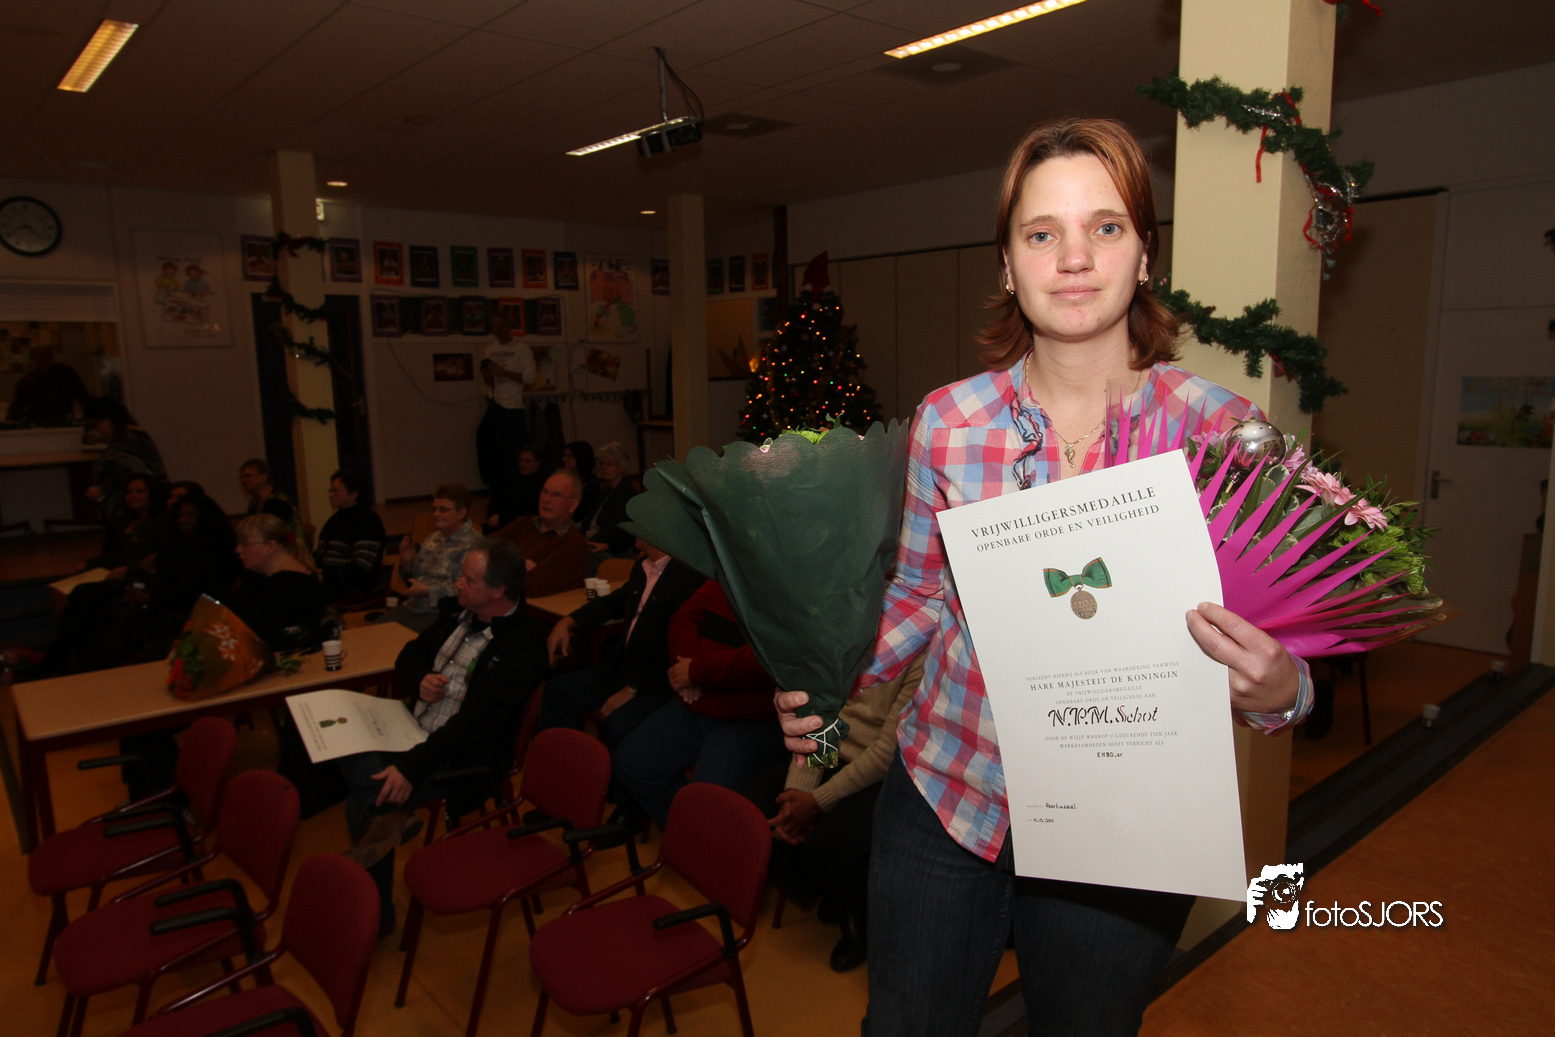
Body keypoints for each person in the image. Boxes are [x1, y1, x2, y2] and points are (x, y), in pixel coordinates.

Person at [776, 118, 1313, 1037]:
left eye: (1105, 226)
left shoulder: (1218, 436)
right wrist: (826, 678)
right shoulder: (949, 422)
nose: (1073, 258)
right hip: (948, 789)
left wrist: (1280, 689)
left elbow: (1283, 645)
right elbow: (917, 595)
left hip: (1124, 818)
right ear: (1007, 262)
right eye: (1040, 233)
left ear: (1145, 253)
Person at [341, 539, 546, 935]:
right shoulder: (459, 613)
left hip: (461, 758)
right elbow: (409, 655)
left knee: (370, 799)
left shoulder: (523, 644)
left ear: (498, 590)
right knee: (345, 739)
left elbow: (477, 724)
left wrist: (411, 767)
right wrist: (420, 680)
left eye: (468, 579)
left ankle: (377, 917)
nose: (457, 583)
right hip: (412, 728)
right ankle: (389, 821)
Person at [744, 652, 925, 975]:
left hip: (886, 771)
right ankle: (829, 889)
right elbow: (820, 714)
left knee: (827, 847)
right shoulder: (845, 636)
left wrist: (818, 801)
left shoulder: (922, 652)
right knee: (754, 814)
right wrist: (798, 794)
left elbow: (888, 751)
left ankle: (857, 911)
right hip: (831, 748)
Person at [613, 579, 786, 829]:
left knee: (707, 798)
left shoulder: (791, 589)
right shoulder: (726, 576)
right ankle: (692, 832)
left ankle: (701, 834)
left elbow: (770, 659)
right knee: (632, 764)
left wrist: (695, 671)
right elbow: (683, 618)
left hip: (749, 718)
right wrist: (686, 667)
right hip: (696, 700)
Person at [539, 539, 702, 757]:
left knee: (619, 723)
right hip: (624, 671)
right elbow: (613, 602)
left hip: (657, 683)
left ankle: (618, 776)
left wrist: (634, 689)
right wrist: (569, 621)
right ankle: (566, 765)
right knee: (558, 691)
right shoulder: (643, 567)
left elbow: (675, 648)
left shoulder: (688, 577)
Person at [231, 513, 328, 652]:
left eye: (245, 544)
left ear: (271, 546)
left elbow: (250, 633)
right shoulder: (285, 578)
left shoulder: (286, 585)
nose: (238, 550)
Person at [492, 470, 588, 598]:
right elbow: (483, 550)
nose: (546, 500)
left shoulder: (573, 545)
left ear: (573, 504)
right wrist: (520, 564)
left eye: (556, 495)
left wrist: (498, 565)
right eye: (545, 492)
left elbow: (533, 587)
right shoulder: (523, 523)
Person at [82, 397, 166, 530]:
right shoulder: (128, 439)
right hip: (125, 509)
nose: (95, 430)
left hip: (129, 511)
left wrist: (103, 489)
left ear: (108, 419)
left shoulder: (129, 440)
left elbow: (132, 474)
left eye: (95, 424)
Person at [478, 314, 536, 493]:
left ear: (509, 326)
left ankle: (520, 487)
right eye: (495, 326)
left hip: (513, 406)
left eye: (502, 326)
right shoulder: (490, 349)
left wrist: (502, 371)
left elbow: (530, 378)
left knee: (515, 451)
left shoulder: (521, 349)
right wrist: (487, 375)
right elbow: (490, 381)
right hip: (495, 403)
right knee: (495, 448)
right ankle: (502, 487)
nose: (498, 330)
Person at [315, 469, 387, 603]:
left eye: (336, 491)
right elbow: (320, 556)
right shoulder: (333, 521)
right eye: (330, 490)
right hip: (331, 583)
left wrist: (326, 576)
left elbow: (361, 568)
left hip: (351, 588)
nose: (331, 495)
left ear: (354, 493)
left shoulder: (368, 521)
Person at [576, 441, 641, 568]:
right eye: (602, 464)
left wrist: (591, 542)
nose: (604, 468)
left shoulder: (628, 494)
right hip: (593, 540)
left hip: (614, 550)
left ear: (622, 467)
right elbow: (590, 520)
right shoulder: (605, 492)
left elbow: (616, 531)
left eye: (610, 464)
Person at [6, 343, 90, 423]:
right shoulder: (27, 381)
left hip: (63, 421)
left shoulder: (66, 374)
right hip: (37, 423)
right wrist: (11, 420)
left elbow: (83, 396)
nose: (42, 359)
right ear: (32, 359)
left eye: (45, 355)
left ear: (52, 357)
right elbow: (17, 405)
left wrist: (91, 416)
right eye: (37, 356)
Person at [484, 446, 547, 533]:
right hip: (501, 524)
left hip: (524, 528)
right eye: (520, 461)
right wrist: (492, 516)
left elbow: (529, 512)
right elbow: (496, 501)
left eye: (527, 461)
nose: (522, 464)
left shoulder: (543, 484)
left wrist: (501, 519)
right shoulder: (512, 480)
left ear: (538, 463)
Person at [238, 458, 301, 538]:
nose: (243, 480)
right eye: (241, 477)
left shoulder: (278, 502)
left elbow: (272, 534)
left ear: (264, 476)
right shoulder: (253, 503)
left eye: (248, 476)